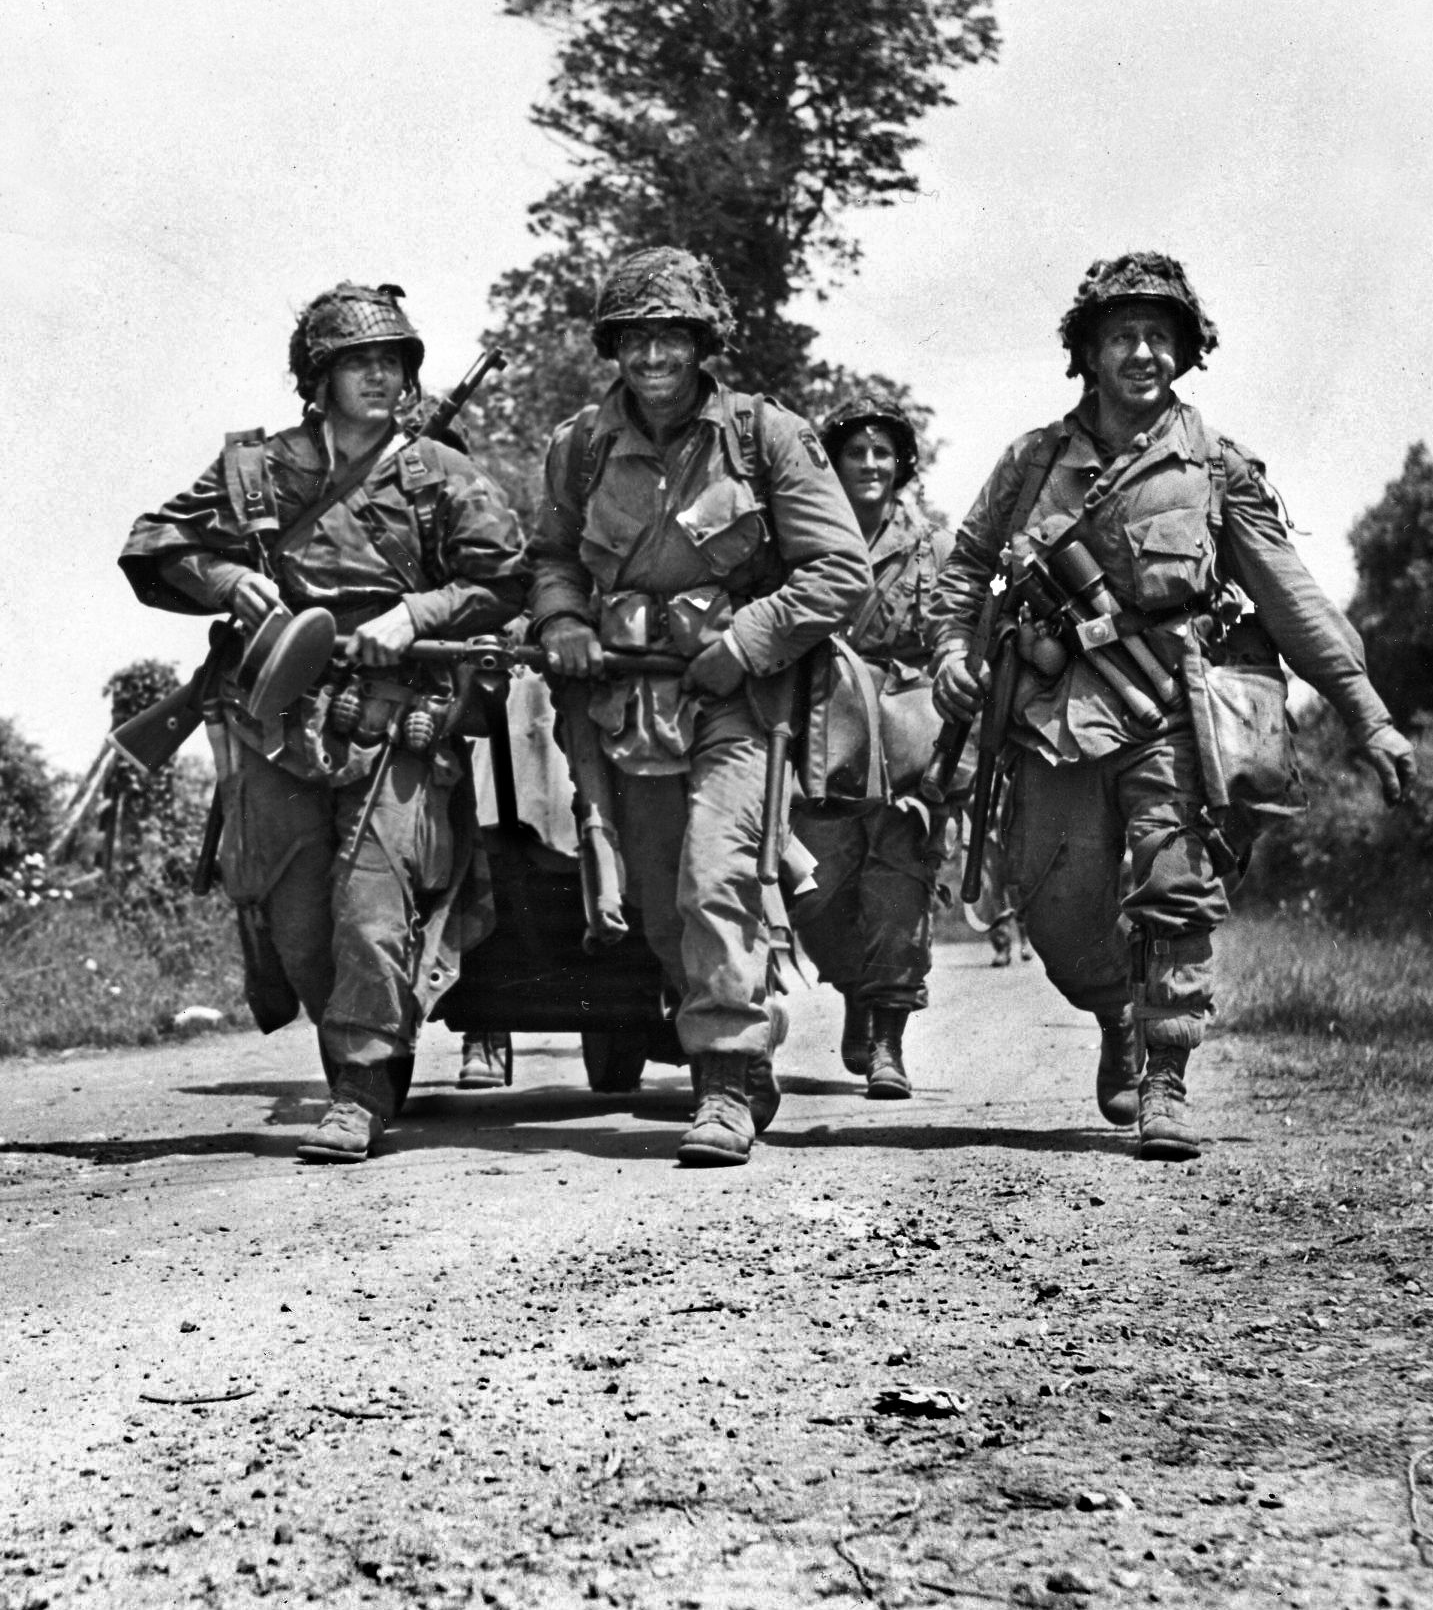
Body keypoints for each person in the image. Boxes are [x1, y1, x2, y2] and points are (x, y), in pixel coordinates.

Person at [928, 253, 1415, 1159]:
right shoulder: (1034, 461)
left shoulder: (1217, 469)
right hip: (1053, 717)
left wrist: (1369, 715)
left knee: (1175, 890)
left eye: (1159, 336)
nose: (1142, 353)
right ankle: (1117, 1010)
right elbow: (962, 571)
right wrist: (953, 653)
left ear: (1185, 350)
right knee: (1057, 919)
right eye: (1122, 336)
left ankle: (1166, 1074)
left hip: (1170, 712)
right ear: (1088, 352)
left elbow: (1291, 601)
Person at [119, 283, 528, 1162]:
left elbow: (511, 580)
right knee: (298, 921)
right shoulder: (259, 471)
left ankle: (361, 1087)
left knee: (372, 911)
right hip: (277, 718)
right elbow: (155, 542)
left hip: (394, 716)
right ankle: (362, 1055)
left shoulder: (439, 476)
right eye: (358, 364)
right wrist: (228, 582)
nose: (379, 378)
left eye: (392, 362)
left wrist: (417, 616)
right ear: (319, 377)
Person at [531, 246, 872, 1166]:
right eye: (636, 339)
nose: (653, 358)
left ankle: (720, 1078)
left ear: (702, 342)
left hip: (736, 703)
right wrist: (562, 618)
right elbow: (553, 557)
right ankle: (744, 1050)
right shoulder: (579, 446)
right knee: (654, 907)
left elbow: (842, 570)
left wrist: (746, 645)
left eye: (671, 338)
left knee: (714, 877)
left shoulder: (767, 437)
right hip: (626, 709)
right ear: (614, 347)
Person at [784, 395, 950, 1101]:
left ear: (903, 464)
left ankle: (887, 1040)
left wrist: (949, 755)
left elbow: (955, 642)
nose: (872, 465)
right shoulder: (802, 536)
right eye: (857, 453)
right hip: (822, 735)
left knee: (898, 888)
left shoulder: (933, 547)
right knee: (812, 894)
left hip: (908, 735)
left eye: (884, 453)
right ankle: (855, 987)